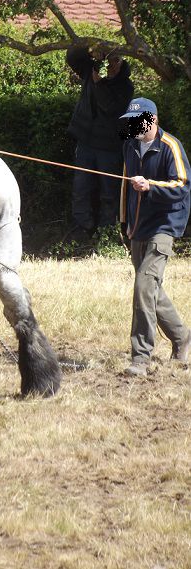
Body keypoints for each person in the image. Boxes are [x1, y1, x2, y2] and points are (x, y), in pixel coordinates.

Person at [119, 97, 191, 376]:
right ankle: (182, 337)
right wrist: (125, 223)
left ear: (154, 120)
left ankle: (141, 358)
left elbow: (182, 185)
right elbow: (125, 189)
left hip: (165, 225)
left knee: (143, 287)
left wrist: (150, 185)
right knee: (150, 288)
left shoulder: (170, 146)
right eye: (131, 121)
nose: (134, 125)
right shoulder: (129, 146)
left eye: (139, 120)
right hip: (139, 226)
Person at [66, 46, 134, 239]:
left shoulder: (126, 86)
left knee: (109, 191)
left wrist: (99, 84)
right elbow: (72, 56)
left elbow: (110, 108)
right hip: (85, 142)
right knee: (81, 188)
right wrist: (90, 51)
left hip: (110, 146)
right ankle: (82, 227)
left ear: (121, 62)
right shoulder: (92, 70)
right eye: (108, 61)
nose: (111, 66)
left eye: (116, 61)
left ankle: (107, 231)